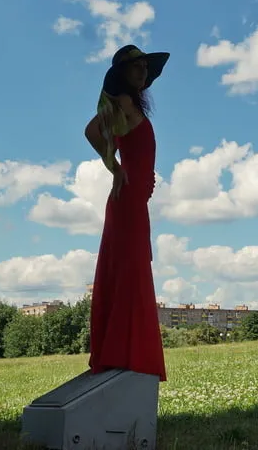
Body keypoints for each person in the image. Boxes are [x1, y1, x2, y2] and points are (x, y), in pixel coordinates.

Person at [83, 44, 169, 382]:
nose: (142, 72)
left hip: (134, 202)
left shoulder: (130, 105)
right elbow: (91, 132)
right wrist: (115, 167)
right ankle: (126, 354)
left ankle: (124, 352)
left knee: (130, 271)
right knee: (130, 272)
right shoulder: (123, 103)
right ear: (122, 73)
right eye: (136, 67)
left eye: (145, 67)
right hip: (127, 201)